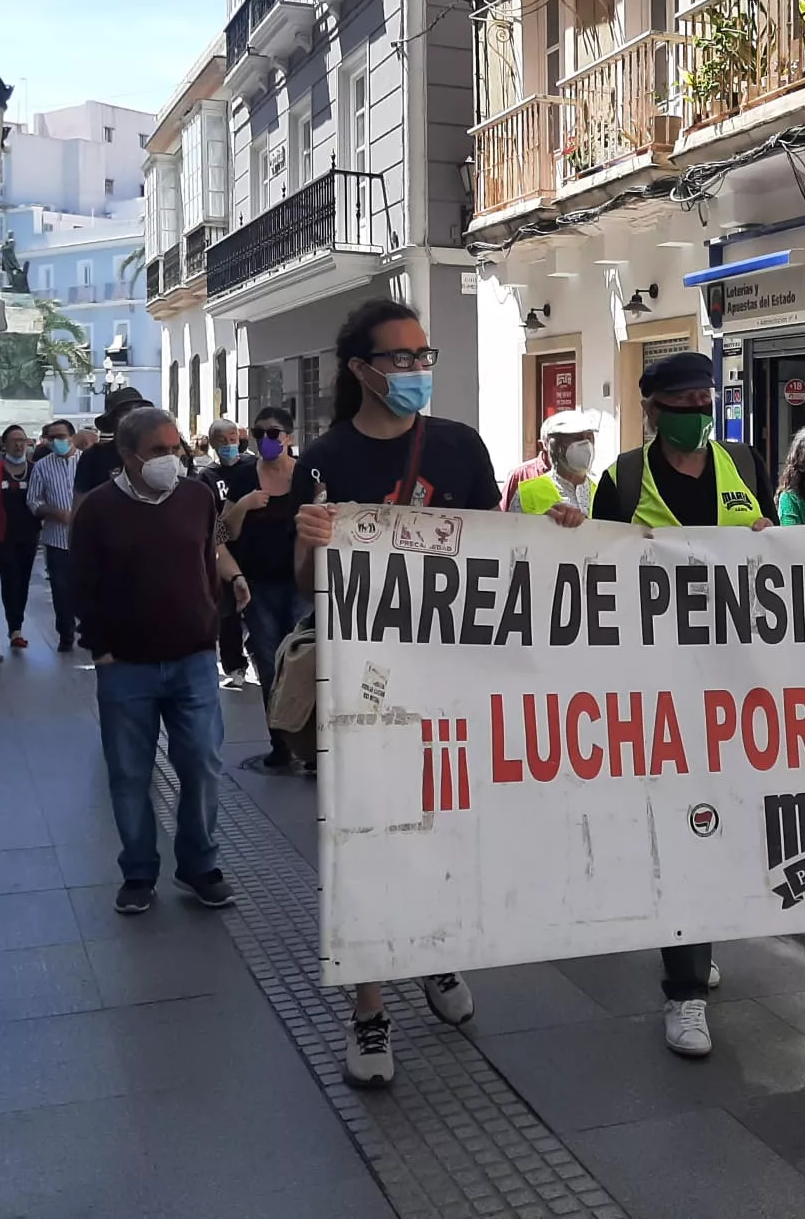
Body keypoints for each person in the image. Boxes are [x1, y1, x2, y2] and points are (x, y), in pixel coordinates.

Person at [292, 298, 501, 1088]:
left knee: (446, 830)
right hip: (365, 689)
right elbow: (311, 584)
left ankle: (435, 957)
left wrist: (564, 537)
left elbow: (498, 551)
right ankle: (370, 1011)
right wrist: (314, 549)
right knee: (370, 840)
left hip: (451, 681)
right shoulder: (327, 458)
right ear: (360, 370)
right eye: (399, 359)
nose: (416, 371)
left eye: (424, 356)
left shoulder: (459, 447)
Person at [593, 351, 776, 1058]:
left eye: (707, 399)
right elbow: (596, 576)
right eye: (683, 402)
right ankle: (684, 991)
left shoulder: (745, 463)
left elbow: (776, 550)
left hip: (734, 677)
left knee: (724, 815)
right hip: (658, 680)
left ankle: (694, 941)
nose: (698, 412)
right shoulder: (623, 479)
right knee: (680, 819)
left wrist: (770, 537)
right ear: (651, 410)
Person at [71, 405, 246, 916]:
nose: (171, 459)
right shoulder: (100, 509)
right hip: (125, 664)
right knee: (129, 773)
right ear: (127, 456)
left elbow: (208, 553)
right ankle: (139, 872)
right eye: (158, 452)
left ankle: (199, 864)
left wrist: (228, 585)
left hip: (192, 657)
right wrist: (99, 647)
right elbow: (82, 583)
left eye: (176, 449)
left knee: (203, 763)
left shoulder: (196, 496)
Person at [224, 406, 309, 766]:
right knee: (270, 663)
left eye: (273, 434)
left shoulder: (307, 476)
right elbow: (221, 533)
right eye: (258, 434)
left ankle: (310, 746)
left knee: (305, 662)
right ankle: (280, 743)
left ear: (289, 437)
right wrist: (243, 506)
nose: (265, 441)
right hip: (259, 586)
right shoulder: (244, 477)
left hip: (302, 585)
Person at [201, 418, 256, 689]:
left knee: (257, 608)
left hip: (255, 548)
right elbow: (213, 524)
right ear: (212, 444)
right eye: (222, 440)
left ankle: (256, 652)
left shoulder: (252, 467)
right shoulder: (207, 478)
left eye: (233, 438)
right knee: (229, 613)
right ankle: (234, 664)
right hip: (225, 553)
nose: (229, 444)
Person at [26, 419, 82, 653]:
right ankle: (66, 634)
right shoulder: (42, 466)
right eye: (51, 438)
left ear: (71, 437)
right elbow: (33, 500)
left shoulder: (86, 461)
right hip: (57, 538)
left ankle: (90, 629)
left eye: (61, 437)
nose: (56, 442)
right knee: (61, 589)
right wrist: (52, 511)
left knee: (89, 587)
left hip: (86, 538)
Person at [0, 424, 42, 649]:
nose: (19, 445)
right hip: (3, 534)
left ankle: (16, 624)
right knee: (11, 579)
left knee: (24, 580)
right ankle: (14, 629)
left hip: (29, 533)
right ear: (5, 444)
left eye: (23, 440)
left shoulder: (36, 469)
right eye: (14, 440)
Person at [509, 410, 598, 515]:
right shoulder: (527, 494)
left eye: (589, 437)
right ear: (549, 445)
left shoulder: (602, 491)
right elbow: (512, 529)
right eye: (576, 438)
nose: (585, 444)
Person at [75, 388, 150, 509]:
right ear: (112, 419)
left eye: (138, 409)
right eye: (126, 410)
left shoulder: (153, 453)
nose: (133, 414)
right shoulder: (94, 455)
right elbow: (80, 501)